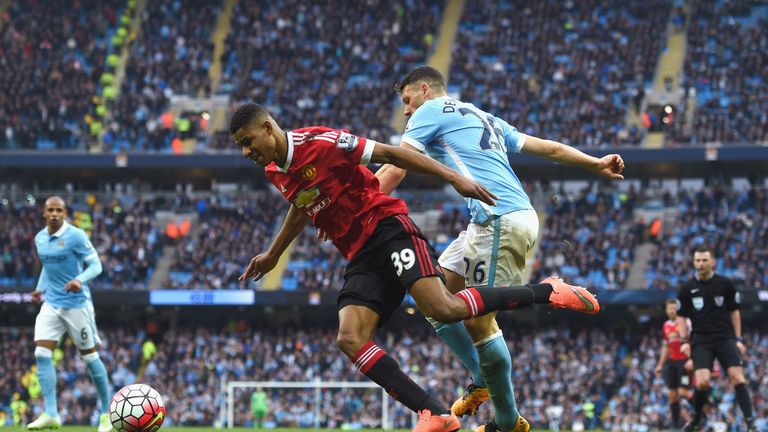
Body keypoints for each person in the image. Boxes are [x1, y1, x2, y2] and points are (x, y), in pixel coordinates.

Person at [229, 103, 599, 432]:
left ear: (268, 127)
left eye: (248, 141)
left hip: (390, 230)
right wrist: (274, 253)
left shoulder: (324, 143)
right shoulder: (275, 170)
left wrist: (453, 177)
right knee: (349, 337)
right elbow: (300, 202)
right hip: (361, 255)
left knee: (445, 308)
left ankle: (546, 292)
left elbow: (394, 155)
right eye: (240, 146)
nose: (247, 151)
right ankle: (435, 413)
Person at [371, 66, 622, 432]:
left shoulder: (429, 112)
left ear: (424, 90)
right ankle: (480, 377)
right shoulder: (483, 116)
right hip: (490, 221)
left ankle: (506, 422)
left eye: (407, 101)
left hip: (500, 220)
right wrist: (594, 162)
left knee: (478, 319)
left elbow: (395, 168)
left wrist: (359, 211)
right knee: (432, 297)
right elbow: (548, 148)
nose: (406, 111)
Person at [28, 196, 112, 432]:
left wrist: (79, 279)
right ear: (44, 213)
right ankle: (52, 414)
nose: (54, 214)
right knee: (42, 353)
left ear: (65, 213)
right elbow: (47, 265)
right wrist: (39, 289)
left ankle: (106, 415)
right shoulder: (40, 238)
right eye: (50, 210)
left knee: (90, 358)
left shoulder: (75, 236)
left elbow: (96, 266)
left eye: (59, 210)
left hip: (77, 304)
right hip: (52, 303)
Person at [678, 246, 756, 432]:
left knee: (737, 377)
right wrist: (684, 342)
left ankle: (751, 423)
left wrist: (738, 338)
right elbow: (681, 316)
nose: (701, 264)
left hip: (724, 338)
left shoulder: (725, 284)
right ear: (694, 262)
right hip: (701, 340)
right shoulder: (687, 288)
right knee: (703, 381)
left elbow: (734, 312)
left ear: (712, 262)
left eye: (705, 260)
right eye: (698, 260)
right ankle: (697, 418)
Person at [654, 299, 692, 428]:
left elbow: (694, 340)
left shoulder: (686, 322)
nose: (671, 310)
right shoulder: (666, 325)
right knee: (672, 395)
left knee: (683, 392)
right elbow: (666, 346)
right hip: (671, 363)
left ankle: (700, 413)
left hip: (685, 362)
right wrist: (660, 364)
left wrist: (692, 358)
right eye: (669, 308)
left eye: (674, 308)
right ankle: (676, 426)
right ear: (666, 310)